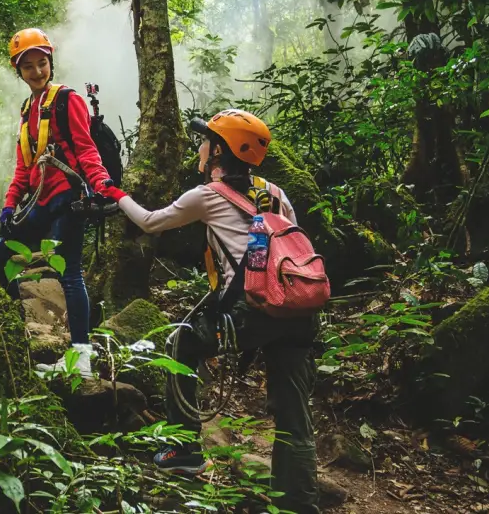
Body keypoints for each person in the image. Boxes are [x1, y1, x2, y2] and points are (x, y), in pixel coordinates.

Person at [100, 109, 322, 513]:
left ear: (219, 150)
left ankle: (183, 448)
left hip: (254, 311)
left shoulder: (207, 195)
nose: (200, 148)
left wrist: (117, 196)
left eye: (206, 141)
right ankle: (298, 504)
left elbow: (151, 222)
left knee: (181, 341)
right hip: (296, 311)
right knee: (294, 413)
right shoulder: (276, 193)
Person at [0, 28, 119, 377]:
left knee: (69, 273)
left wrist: (101, 184)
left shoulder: (67, 100)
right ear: (19, 71)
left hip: (67, 198)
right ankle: (20, 330)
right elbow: (23, 167)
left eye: (41, 63)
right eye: (28, 66)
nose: (37, 72)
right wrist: (9, 206)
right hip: (38, 202)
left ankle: (81, 357)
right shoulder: (28, 109)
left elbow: (87, 149)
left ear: (50, 63)